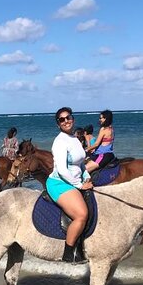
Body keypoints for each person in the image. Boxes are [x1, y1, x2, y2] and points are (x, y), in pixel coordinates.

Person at [46, 107, 93, 263]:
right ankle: (68, 254)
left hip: (75, 180)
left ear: (72, 118)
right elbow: (62, 170)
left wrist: (86, 176)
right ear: (58, 124)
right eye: (62, 119)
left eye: (68, 117)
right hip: (59, 182)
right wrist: (79, 185)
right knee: (81, 215)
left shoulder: (74, 139)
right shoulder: (59, 142)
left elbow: (81, 164)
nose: (66, 121)